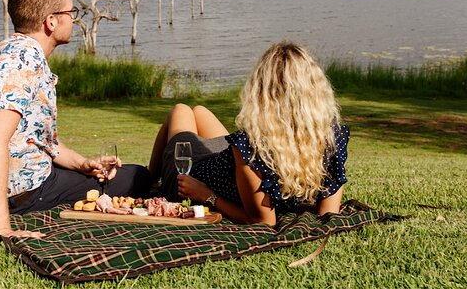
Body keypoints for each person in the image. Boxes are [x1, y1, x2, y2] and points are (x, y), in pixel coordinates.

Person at [0, 0, 151, 238]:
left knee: (112, 176)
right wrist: (0, 230)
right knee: (138, 176)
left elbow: (34, 137)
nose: (73, 18)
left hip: (20, 182)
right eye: (70, 11)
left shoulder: (12, 51)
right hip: (26, 193)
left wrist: (83, 163)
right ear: (51, 21)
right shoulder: (22, 61)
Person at [148, 42, 349, 226]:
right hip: (221, 162)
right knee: (199, 111)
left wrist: (207, 196)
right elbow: (328, 213)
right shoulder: (331, 136)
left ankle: (148, 181)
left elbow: (261, 221)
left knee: (181, 110)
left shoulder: (251, 145)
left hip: (191, 179)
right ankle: (148, 179)